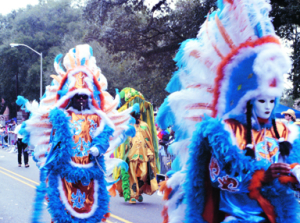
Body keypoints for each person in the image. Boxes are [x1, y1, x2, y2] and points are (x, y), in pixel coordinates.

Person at [156, 0, 300, 222]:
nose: (268, 107)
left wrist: (293, 175)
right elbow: (218, 177)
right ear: (247, 102)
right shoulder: (225, 132)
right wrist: (261, 176)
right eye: (261, 100)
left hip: (271, 214)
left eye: (272, 101)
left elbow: (290, 166)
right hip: (235, 215)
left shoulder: (284, 131)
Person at [16, 44, 135, 222]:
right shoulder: (61, 116)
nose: (81, 99)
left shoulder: (96, 117)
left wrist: (98, 147)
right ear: (71, 97)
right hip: (65, 171)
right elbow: (53, 138)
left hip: (90, 171)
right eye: (77, 96)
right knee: (63, 209)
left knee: (91, 208)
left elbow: (106, 132)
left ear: (89, 97)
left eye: (84, 96)